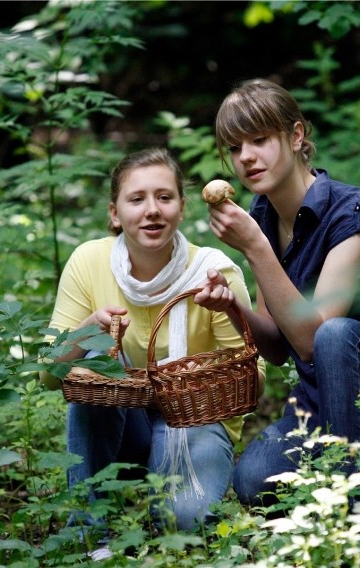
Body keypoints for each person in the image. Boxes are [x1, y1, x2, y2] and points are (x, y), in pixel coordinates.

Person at [197, 78, 360, 506]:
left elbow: (311, 343)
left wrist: (256, 249)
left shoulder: (352, 212)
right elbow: (278, 347)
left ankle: (356, 500)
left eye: (259, 140)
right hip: (325, 407)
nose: (245, 157)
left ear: (296, 135)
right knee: (253, 482)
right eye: (233, 147)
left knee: (336, 333)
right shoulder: (261, 215)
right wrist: (234, 307)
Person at [45, 147, 264, 552]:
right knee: (94, 361)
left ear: (181, 208)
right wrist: (89, 329)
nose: (152, 210)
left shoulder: (212, 271)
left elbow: (256, 382)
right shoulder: (88, 262)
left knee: (185, 526)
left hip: (194, 421)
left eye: (164, 197)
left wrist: (228, 308)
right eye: (137, 199)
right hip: (123, 428)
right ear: (115, 213)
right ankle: (93, 533)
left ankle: (172, 500)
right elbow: (49, 371)